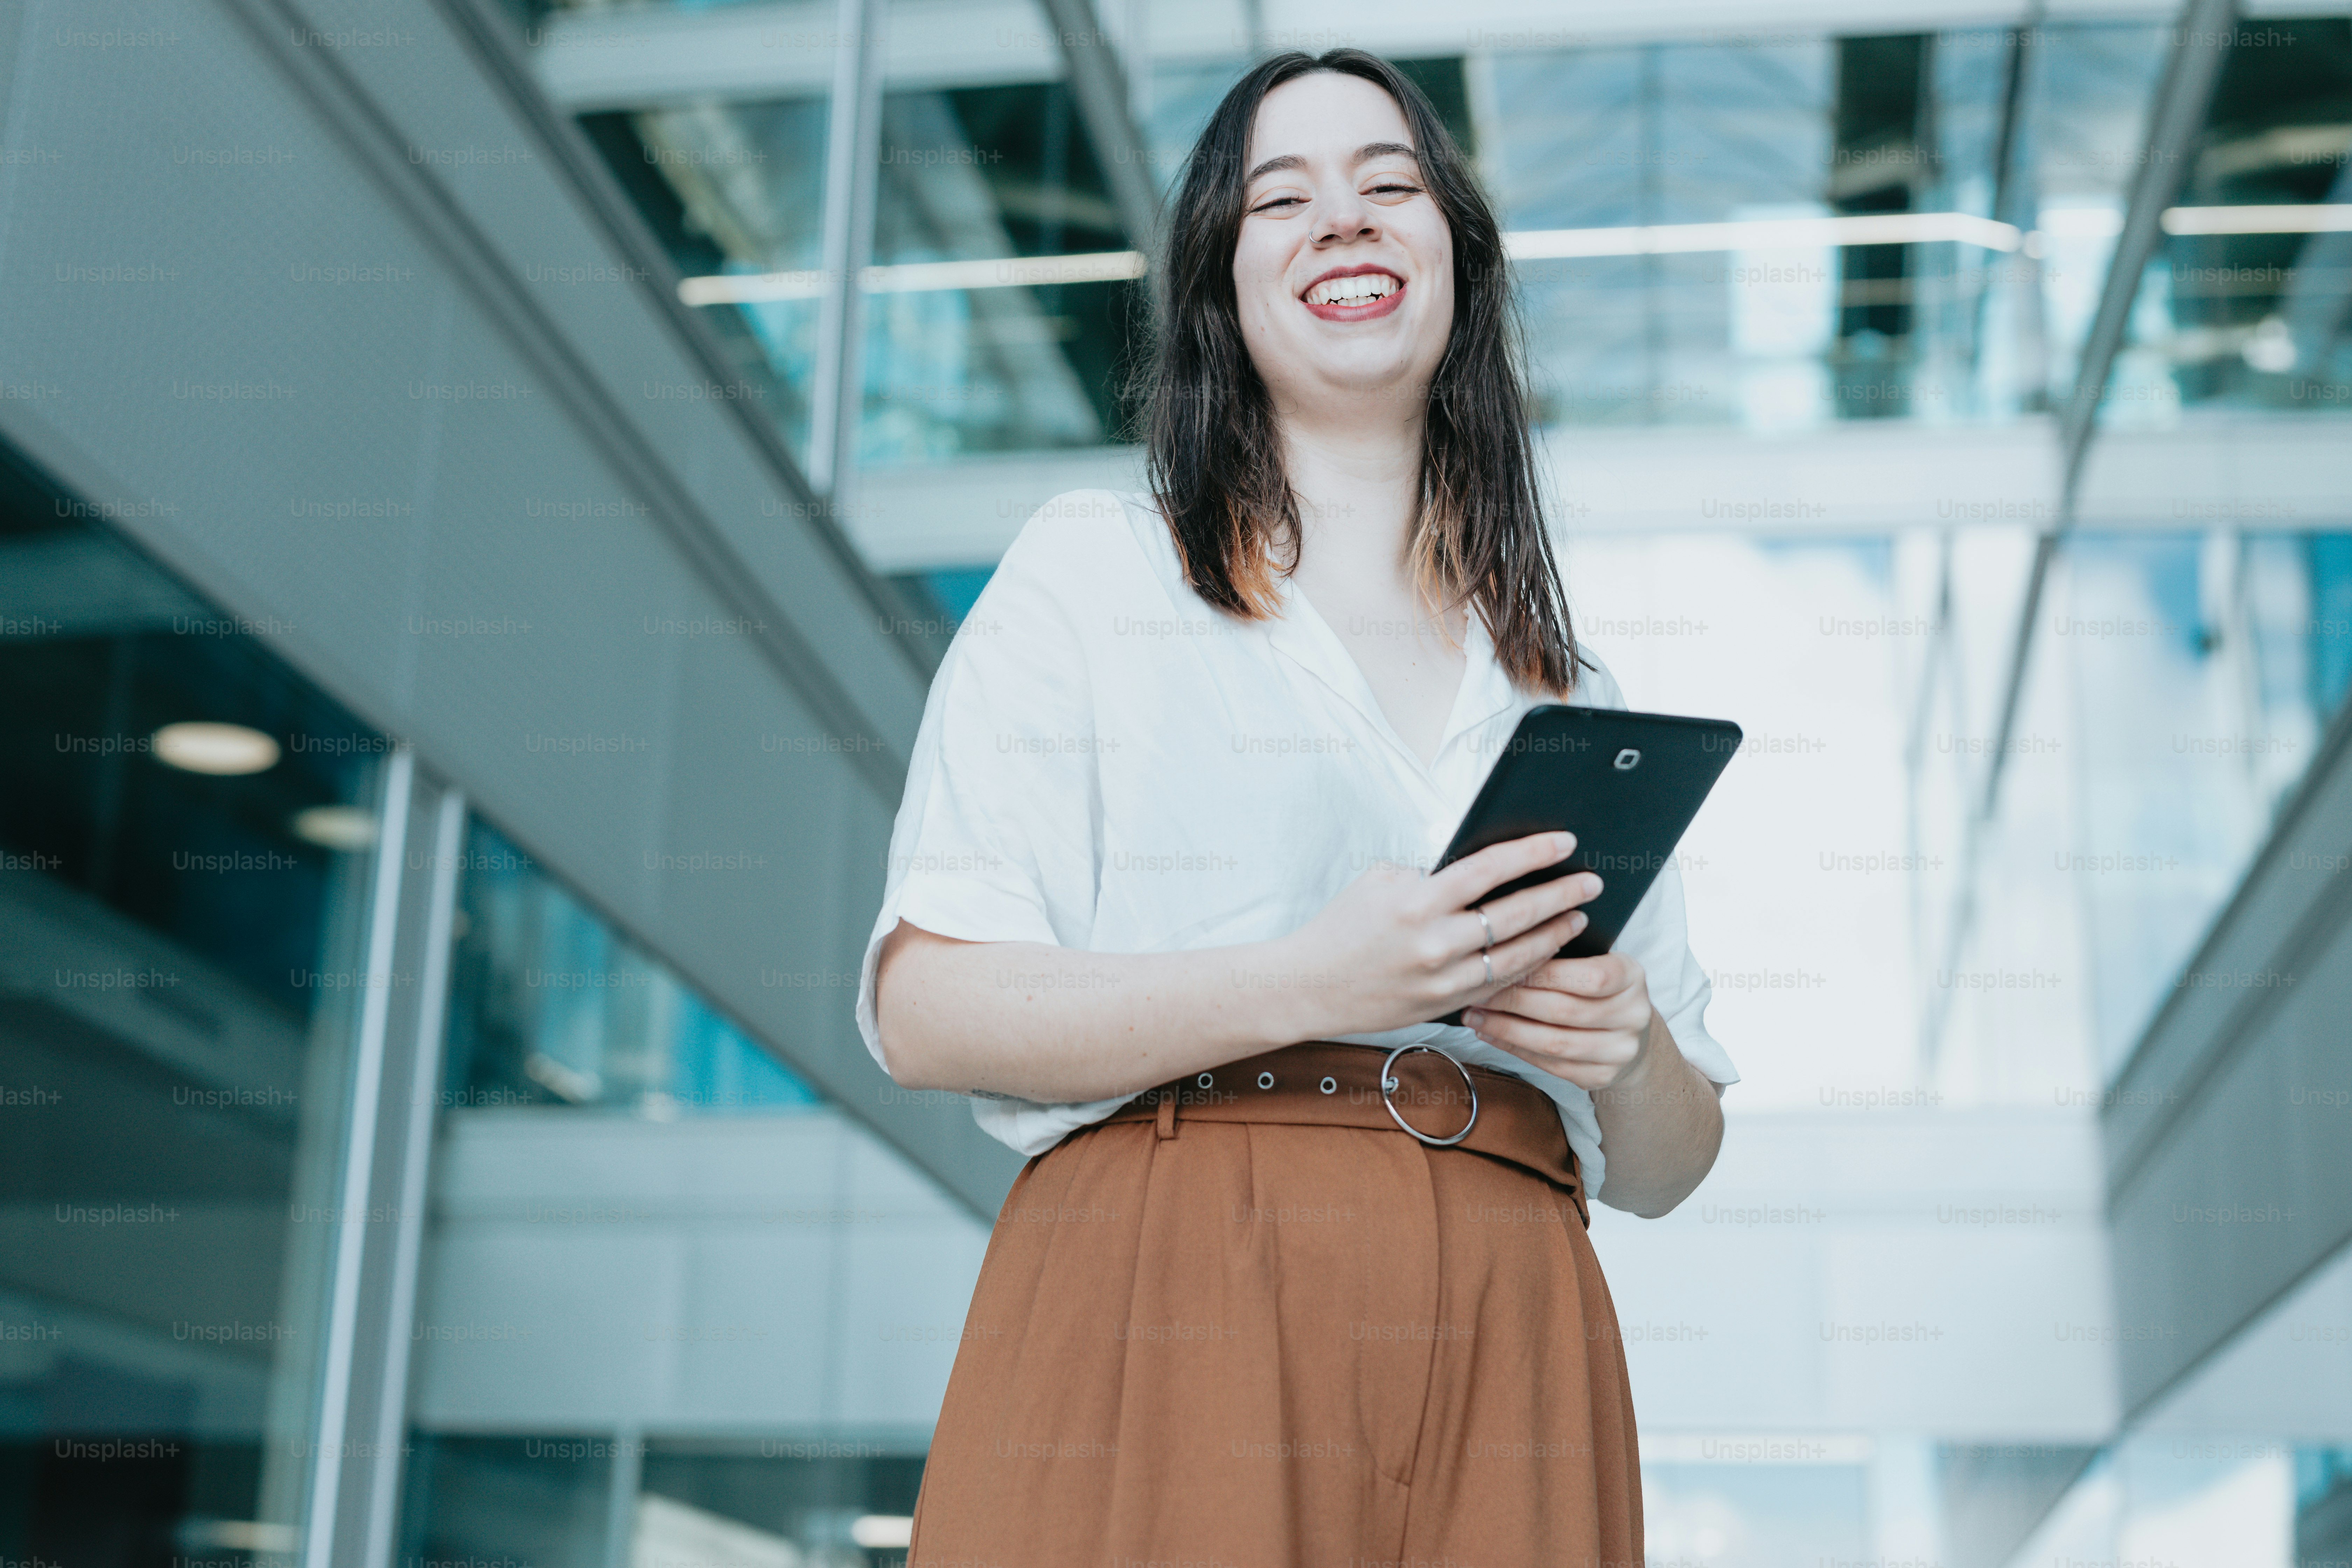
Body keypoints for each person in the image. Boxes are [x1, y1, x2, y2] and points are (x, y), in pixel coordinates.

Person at [855, 47, 1736, 1566]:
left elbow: (1671, 1158)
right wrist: (1317, 981)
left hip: (1518, 1313)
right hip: (1187, 1271)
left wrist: (1629, 1048)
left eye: (1389, 185)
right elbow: (923, 1008)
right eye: (1285, 198)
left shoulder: (1564, 686)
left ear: (1458, 254)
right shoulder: (1099, 571)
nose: (1344, 220)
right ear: (1224, 282)